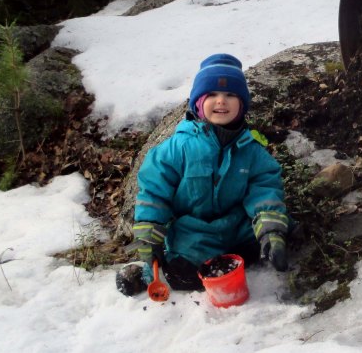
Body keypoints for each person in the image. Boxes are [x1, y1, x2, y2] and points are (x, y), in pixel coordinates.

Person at [116, 53, 290, 296]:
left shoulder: (251, 150)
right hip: (194, 231)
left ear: (242, 104)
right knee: (185, 276)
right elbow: (154, 190)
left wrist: (271, 230)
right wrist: (150, 232)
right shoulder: (177, 148)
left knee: (267, 248)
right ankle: (143, 273)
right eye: (212, 95)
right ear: (198, 102)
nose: (221, 101)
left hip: (235, 226)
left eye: (231, 95)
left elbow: (265, 188)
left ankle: (266, 243)